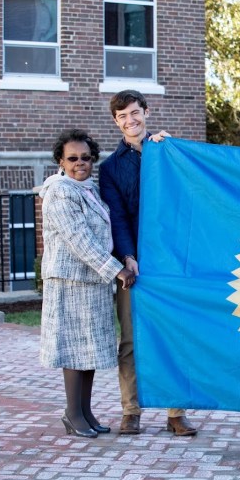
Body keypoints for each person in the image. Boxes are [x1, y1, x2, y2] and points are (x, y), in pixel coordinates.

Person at [98, 89, 198, 437]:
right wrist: (127, 256)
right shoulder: (110, 168)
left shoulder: (167, 152)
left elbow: (189, 199)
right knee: (130, 339)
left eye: (135, 112)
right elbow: (117, 217)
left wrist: (172, 150)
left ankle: (175, 413)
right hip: (134, 264)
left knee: (172, 334)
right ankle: (131, 411)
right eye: (123, 116)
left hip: (170, 262)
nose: (131, 120)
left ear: (147, 112)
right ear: (116, 121)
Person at [39, 129, 136, 438]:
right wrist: (117, 270)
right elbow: (79, 239)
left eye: (86, 157)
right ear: (60, 161)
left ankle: (86, 412)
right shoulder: (60, 190)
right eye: (72, 158)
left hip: (92, 282)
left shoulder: (88, 189)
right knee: (74, 350)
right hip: (69, 282)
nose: (80, 163)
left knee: (89, 350)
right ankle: (72, 413)